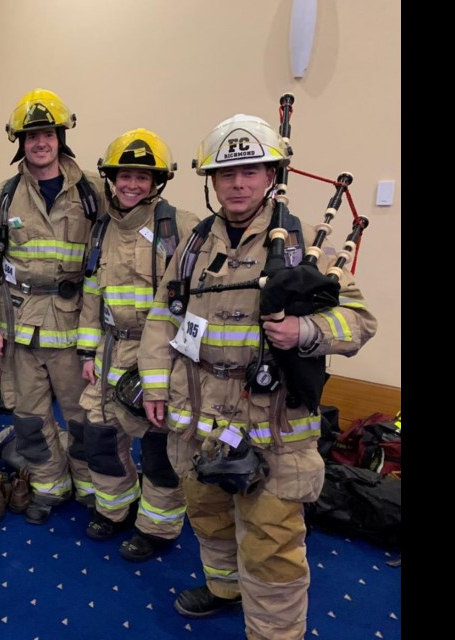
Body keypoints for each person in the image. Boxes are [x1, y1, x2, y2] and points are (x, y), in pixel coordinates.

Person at [136, 113, 377, 639]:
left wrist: (305, 330)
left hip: (274, 431)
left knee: (271, 545)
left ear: (271, 176)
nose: (238, 184)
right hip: (197, 422)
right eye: (227, 174)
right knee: (210, 517)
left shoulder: (307, 240)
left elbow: (359, 322)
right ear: (212, 182)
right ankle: (225, 589)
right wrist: (155, 382)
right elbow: (163, 315)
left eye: (251, 171)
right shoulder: (194, 246)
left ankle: (273, 633)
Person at [0, 89, 99, 525]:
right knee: (28, 418)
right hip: (19, 327)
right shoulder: (6, 195)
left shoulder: (91, 192)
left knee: (84, 420)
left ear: (61, 138)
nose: (39, 143)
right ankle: (49, 485)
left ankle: (88, 485)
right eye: (31, 136)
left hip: (73, 330)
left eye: (47, 134)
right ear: (20, 143)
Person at [76, 130, 198, 560]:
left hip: (159, 357)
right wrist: (88, 352)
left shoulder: (181, 227)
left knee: (159, 447)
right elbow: (92, 294)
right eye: (125, 176)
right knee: (99, 437)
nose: (131, 185)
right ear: (111, 178)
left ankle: (158, 528)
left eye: (142, 178)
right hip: (109, 353)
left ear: (157, 182)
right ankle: (115, 509)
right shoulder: (101, 229)